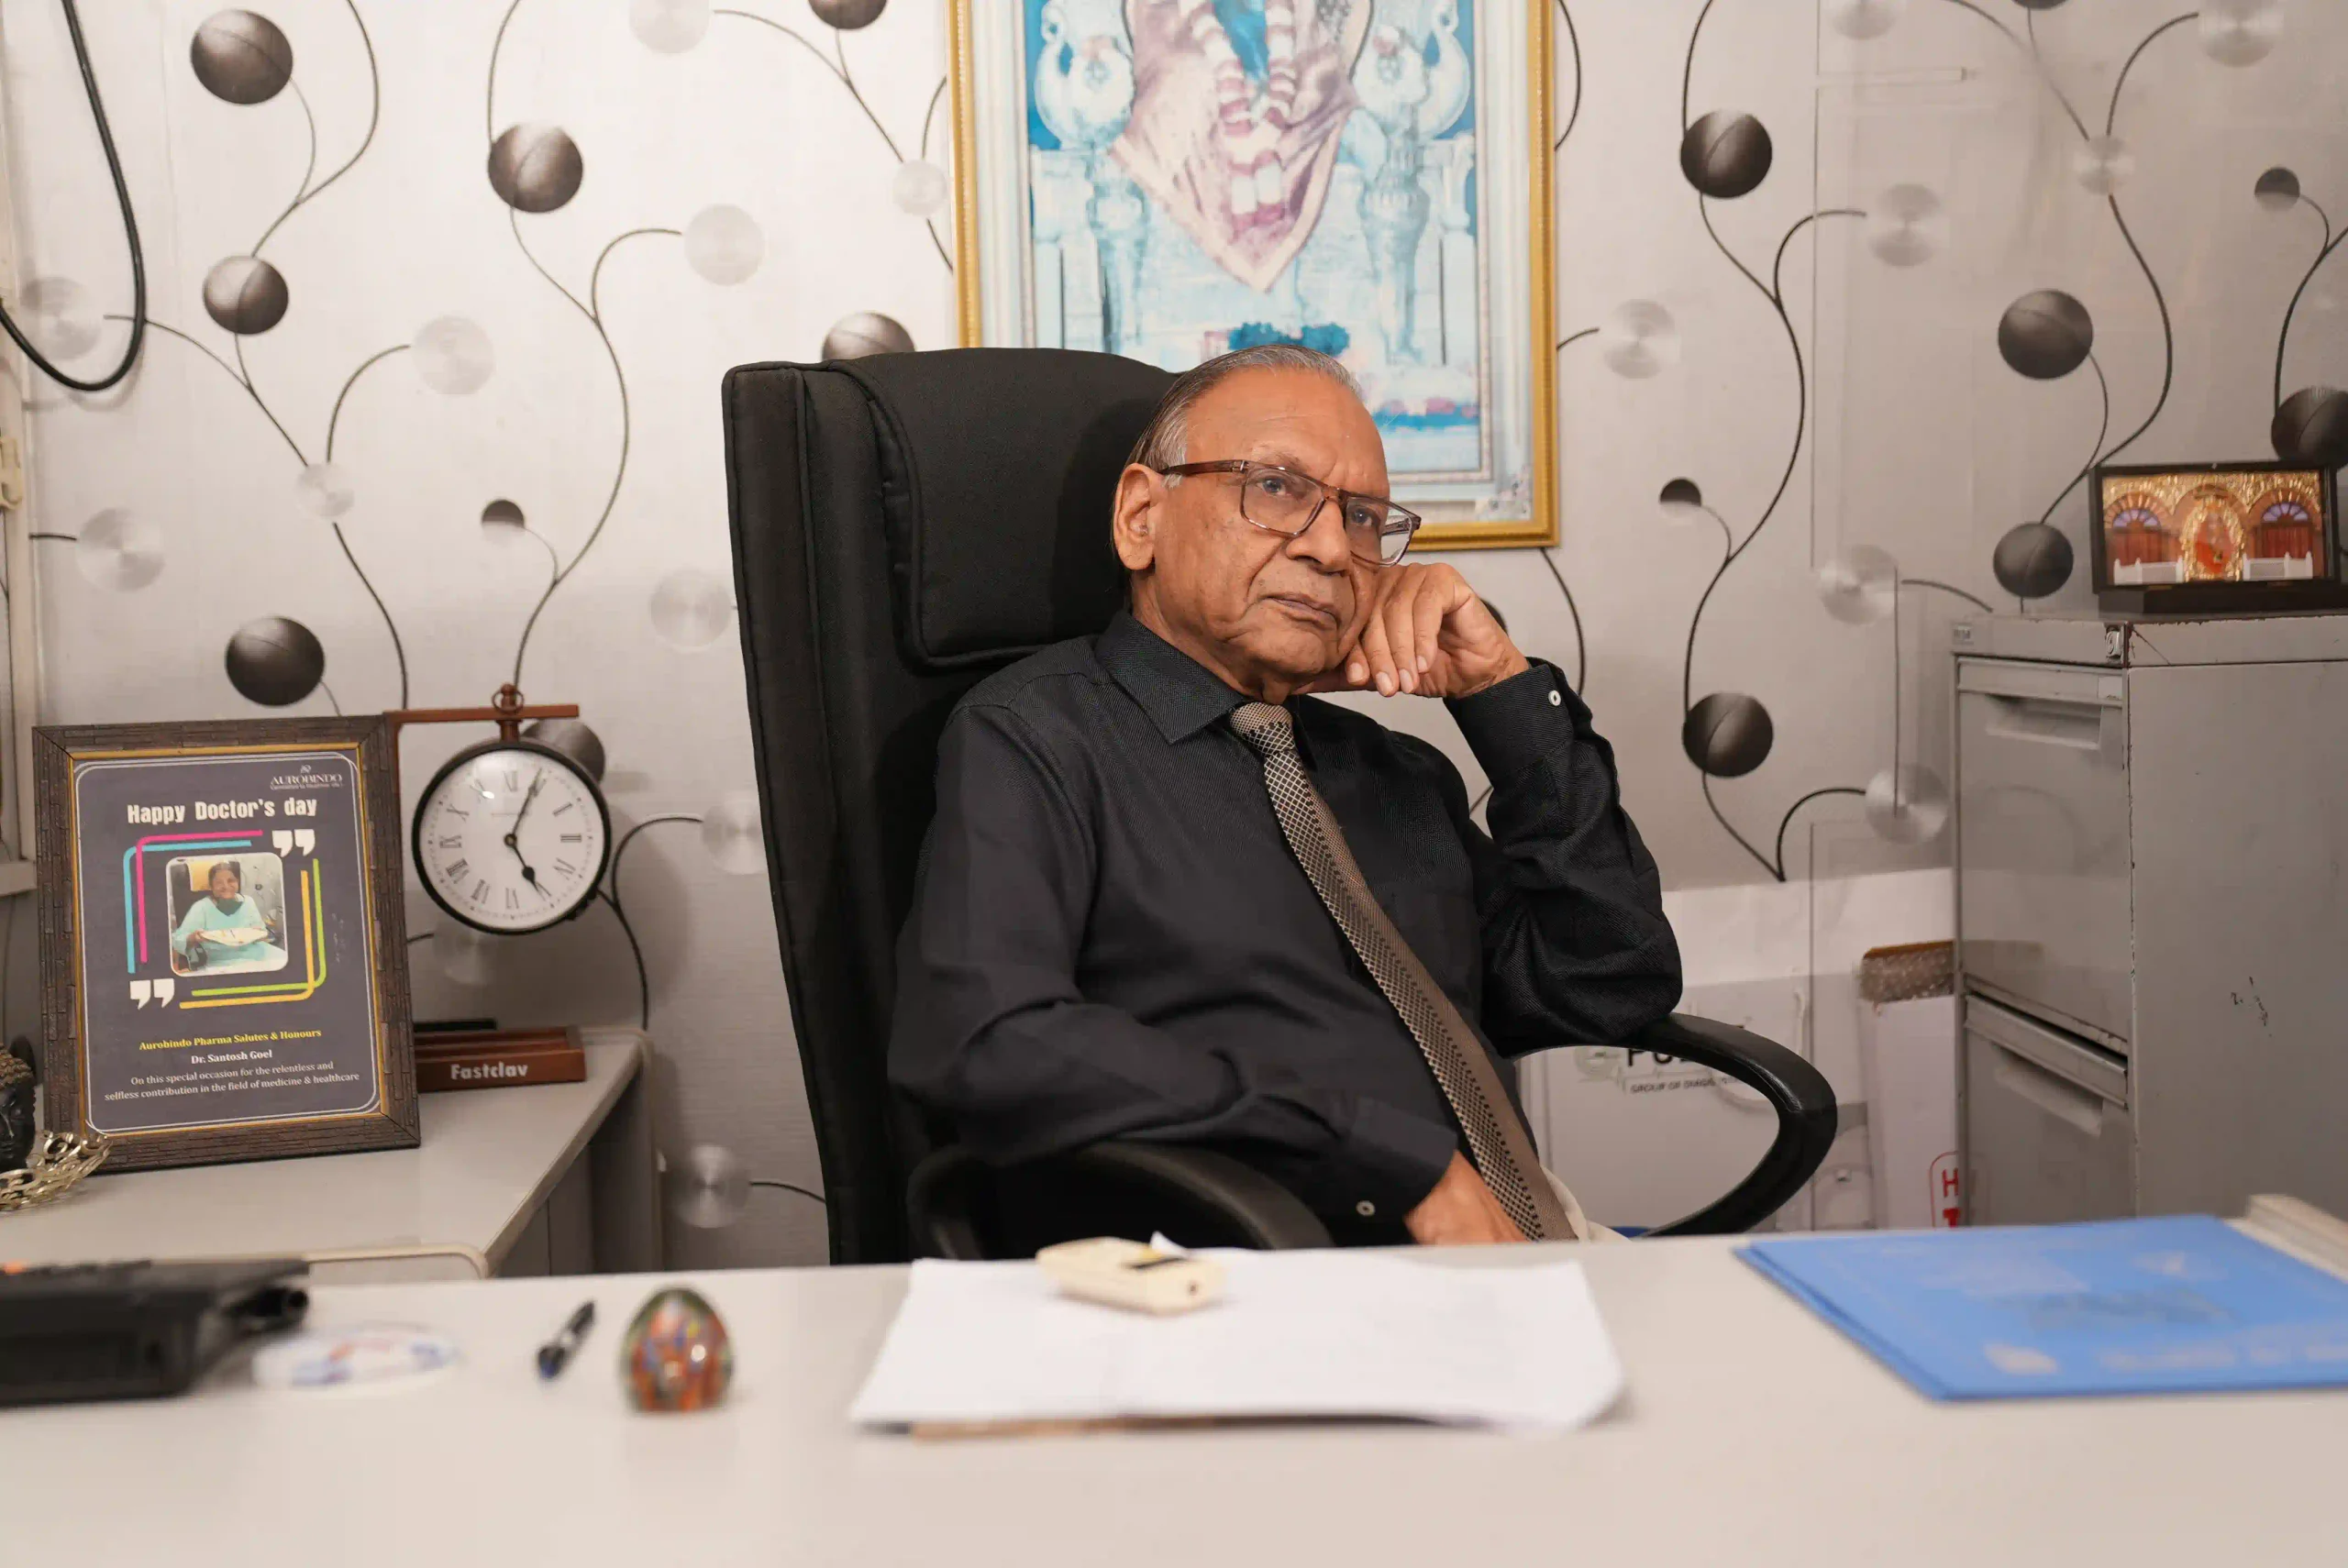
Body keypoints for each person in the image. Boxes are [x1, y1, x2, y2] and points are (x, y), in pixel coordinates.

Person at [890, 344, 1681, 1246]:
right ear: (1142, 517)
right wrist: (1382, 1158)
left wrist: (1500, 692)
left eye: (1363, 517)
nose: (1332, 548)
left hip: (1537, 1248)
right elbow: (990, 1040)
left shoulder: (1393, 772)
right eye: (1274, 487)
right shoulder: (1036, 737)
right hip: (1266, 1273)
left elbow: (1612, 983)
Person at [171, 861, 286, 975]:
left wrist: (260, 934)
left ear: (237, 882)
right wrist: (193, 937)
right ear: (211, 886)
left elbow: (262, 932)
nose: (226, 886)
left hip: (259, 955)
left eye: (231, 881)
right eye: (219, 882)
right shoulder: (201, 907)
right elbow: (177, 940)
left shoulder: (248, 902)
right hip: (223, 962)